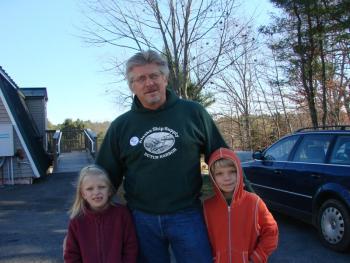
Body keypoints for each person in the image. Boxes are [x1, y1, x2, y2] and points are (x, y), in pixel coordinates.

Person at [95, 50, 228, 262]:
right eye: (140, 79)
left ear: (165, 78)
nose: (149, 83)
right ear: (132, 86)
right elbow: (101, 177)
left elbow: (224, 159)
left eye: (154, 76)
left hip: (187, 215)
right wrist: (83, 222)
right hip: (140, 220)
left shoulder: (193, 113)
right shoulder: (121, 126)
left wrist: (251, 203)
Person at [203, 148, 279, 263]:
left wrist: (257, 257)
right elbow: (201, 239)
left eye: (232, 171)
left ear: (239, 171)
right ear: (212, 177)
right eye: (219, 173)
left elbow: (271, 231)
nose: (227, 178)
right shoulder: (207, 207)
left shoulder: (254, 202)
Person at [63, 165, 138, 263]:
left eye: (102, 187)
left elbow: (130, 248)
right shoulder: (77, 220)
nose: (96, 192)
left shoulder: (122, 214)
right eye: (90, 189)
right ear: (83, 193)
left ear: (110, 190)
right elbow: (71, 255)